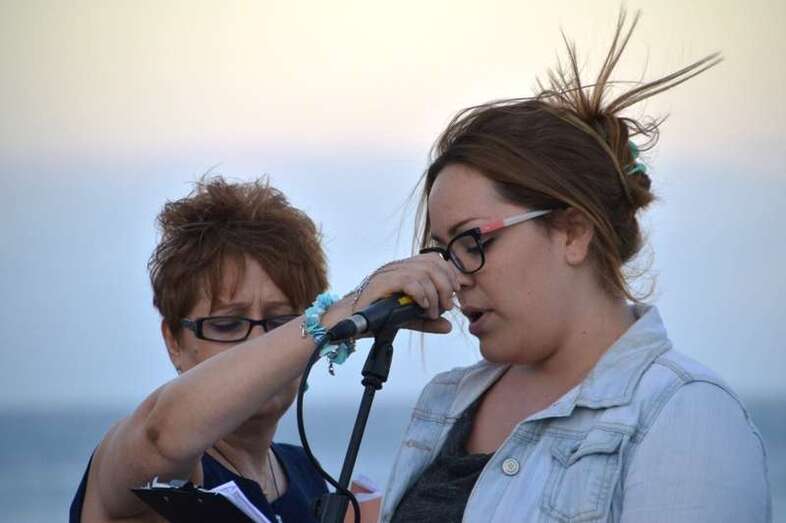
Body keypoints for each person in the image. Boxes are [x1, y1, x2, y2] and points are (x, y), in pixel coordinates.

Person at [354, 11, 769, 523]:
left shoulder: (684, 415)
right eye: (443, 251)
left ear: (573, 232)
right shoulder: (443, 402)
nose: (455, 277)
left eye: (472, 241)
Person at [70, 177, 334, 522]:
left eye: (282, 323)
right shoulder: (132, 461)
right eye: (227, 324)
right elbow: (161, 436)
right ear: (174, 342)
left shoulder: (307, 475)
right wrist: (346, 310)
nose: (259, 344)